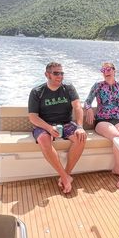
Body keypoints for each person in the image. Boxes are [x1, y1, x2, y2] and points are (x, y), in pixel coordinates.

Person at [28, 62, 87, 194]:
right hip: (44, 124)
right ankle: (65, 178)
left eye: (61, 73)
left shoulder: (69, 88)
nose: (60, 76)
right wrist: (49, 128)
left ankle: (66, 174)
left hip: (65, 123)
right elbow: (33, 117)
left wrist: (80, 126)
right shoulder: (37, 92)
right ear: (47, 74)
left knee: (81, 137)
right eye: (56, 73)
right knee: (43, 139)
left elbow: (78, 107)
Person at [84, 62, 119, 189]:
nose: (106, 71)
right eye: (103, 70)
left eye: (109, 69)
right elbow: (87, 101)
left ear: (114, 70)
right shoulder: (98, 86)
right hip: (102, 120)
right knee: (117, 137)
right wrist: (89, 109)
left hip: (118, 119)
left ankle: (117, 167)